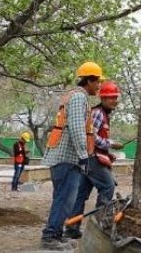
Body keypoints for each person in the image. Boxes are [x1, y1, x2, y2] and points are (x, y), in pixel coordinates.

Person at [39, 61, 103, 250]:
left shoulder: (74, 97)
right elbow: (76, 128)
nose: (99, 86)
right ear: (89, 81)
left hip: (64, 158)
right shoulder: (78, 98)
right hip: (67, 159)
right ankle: (50, 237)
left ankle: (55, 234)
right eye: (98, 81)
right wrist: (84, 155)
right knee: (65, 199)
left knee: (63, 198)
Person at [65, 80, 124, 239]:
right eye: (110, 97)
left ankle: (72, 228)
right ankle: (98, 226)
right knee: (108, 186)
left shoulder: (102, 114)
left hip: (90, 158)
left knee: (81, 195)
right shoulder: (98, 113)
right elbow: (90, 135)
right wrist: (110, 143)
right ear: (102, 98)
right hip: (92, 159)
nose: (114, 101)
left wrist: (108, 152)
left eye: (115, 97)